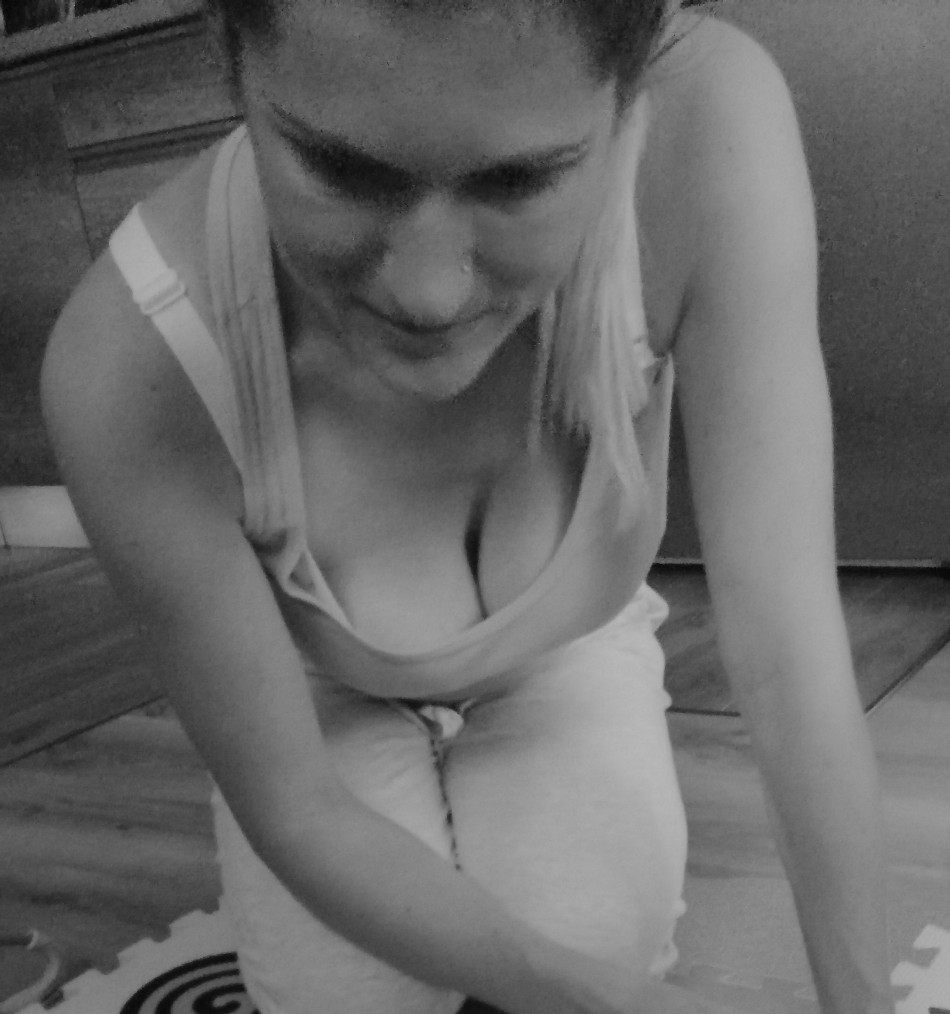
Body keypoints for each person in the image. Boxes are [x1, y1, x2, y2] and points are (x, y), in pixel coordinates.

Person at [40, 0, 894, 1012]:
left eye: (522, 181)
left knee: (590, 924)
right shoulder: (129, 365)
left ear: (629, 96)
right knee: (346, 1000)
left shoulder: (711, 122)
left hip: (563, 644)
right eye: (339, 171)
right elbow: (299, 808)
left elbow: (787, 655)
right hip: (312, 692)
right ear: (226, 64)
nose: (430, 295)